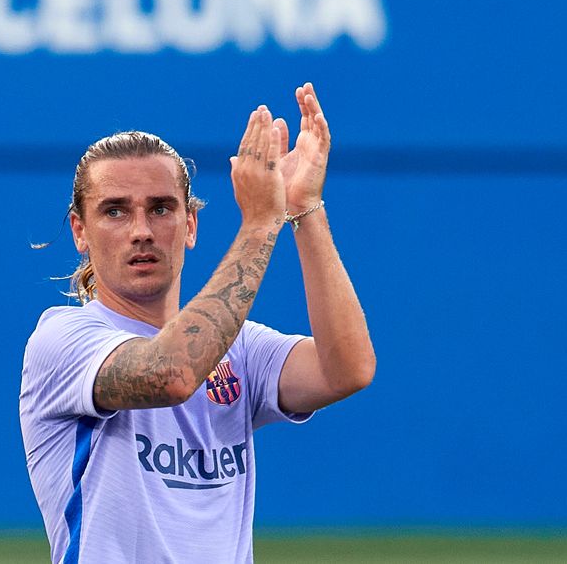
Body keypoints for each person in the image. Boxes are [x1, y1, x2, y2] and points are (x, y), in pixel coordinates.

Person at [19, 83, 375, 562]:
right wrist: (259, 223)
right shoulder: (63, 341)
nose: (141, 231)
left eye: (161, 208)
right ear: (79, 231)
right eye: (115, 211)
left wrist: (302, 208)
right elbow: (172, 373)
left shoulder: (239, 347)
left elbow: (347, 369)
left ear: (190, 225)